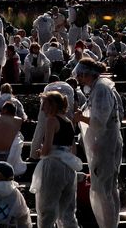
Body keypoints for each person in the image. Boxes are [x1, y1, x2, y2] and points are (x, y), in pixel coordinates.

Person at [73, 57, 123, 228]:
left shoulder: (101, 89)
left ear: (87, 74)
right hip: (107, 141)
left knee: (104, 190)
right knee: (109, 188)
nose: (78, 79)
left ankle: (108, 224)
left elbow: (99, 120)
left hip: (106, 143)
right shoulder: (99, 87)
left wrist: (81, 117)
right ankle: (111, 223)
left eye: (80, 76)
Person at [31, 90, 81, 228]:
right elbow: (73, 148)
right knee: (67, 211)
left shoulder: (51, 120)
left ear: (52, 105)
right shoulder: (69, 122)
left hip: (53, 166)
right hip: (69, 167)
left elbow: (47, 148)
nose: (42, 108)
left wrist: (40, 151)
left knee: (47, 208)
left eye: (44, 104)